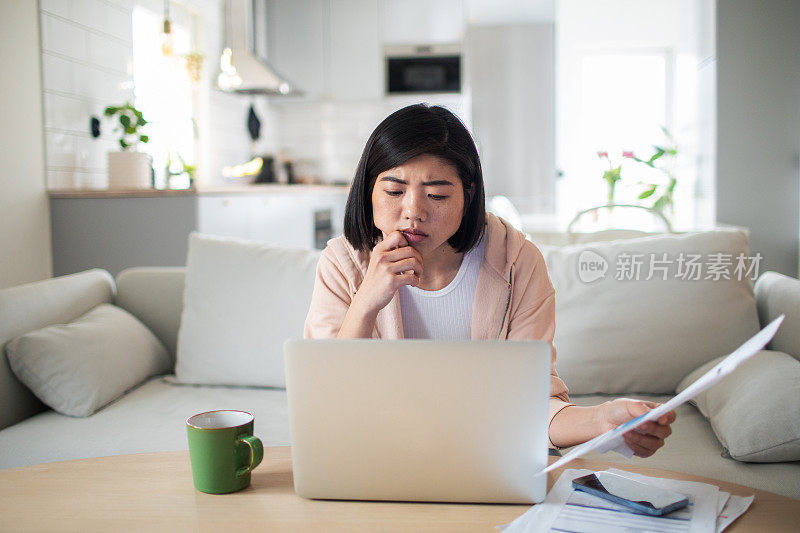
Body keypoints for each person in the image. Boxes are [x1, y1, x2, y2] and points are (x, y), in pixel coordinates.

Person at [304, 103, 675, 455]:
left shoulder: (517, 262)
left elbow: (531, 404)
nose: (413, 211)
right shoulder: (342, 263)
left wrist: (603, 419)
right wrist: (367, 300)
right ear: (367, 191)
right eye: (394, 191)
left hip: (485, 454)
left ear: (469, 194)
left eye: (436, 194)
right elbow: (326, 403)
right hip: (375, 452)